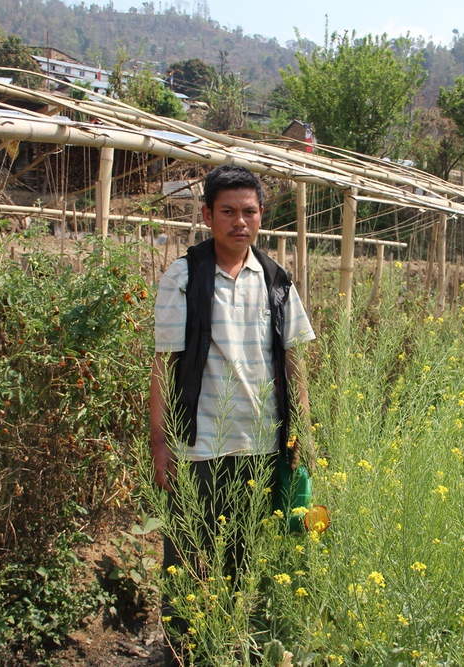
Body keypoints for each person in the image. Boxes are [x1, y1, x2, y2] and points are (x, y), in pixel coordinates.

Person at [150, 165, 314, 665]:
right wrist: (160, 443)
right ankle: (181, 652)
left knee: (242, 559)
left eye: (249, 211)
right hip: (197, 445)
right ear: (207, 215)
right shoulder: (184, 276)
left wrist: (301, 434)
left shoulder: (276, 280)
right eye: (228, 211)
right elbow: (164, 364)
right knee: (184, 555)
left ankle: (230, 646)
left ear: (262, 216)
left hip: (261, 444)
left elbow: (293, 362)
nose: (239, 221)